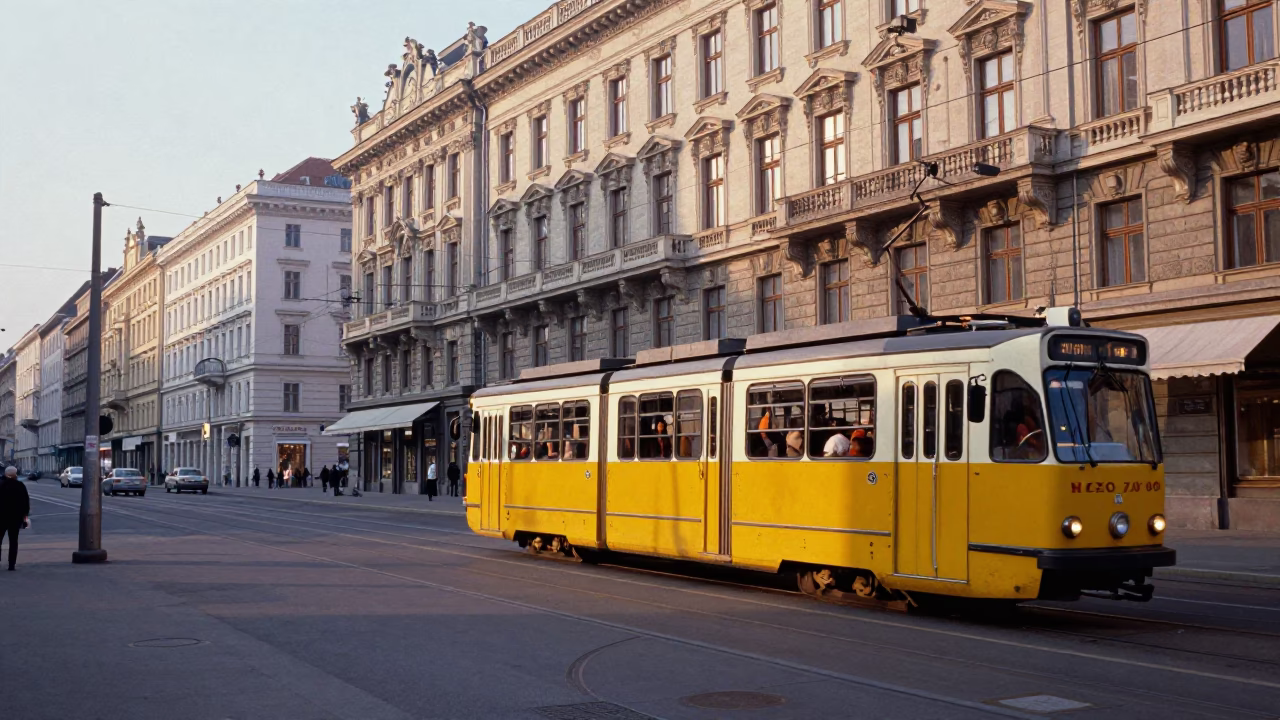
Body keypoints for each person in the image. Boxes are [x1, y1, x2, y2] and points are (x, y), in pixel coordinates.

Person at [0, 467, 31, 571]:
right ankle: (11, 565)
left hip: (1, 518)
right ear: (15, 474)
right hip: (15, 518)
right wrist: (25, 516)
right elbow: (26, 503)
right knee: (13, 541)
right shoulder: (20, 486)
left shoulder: (1, 485)